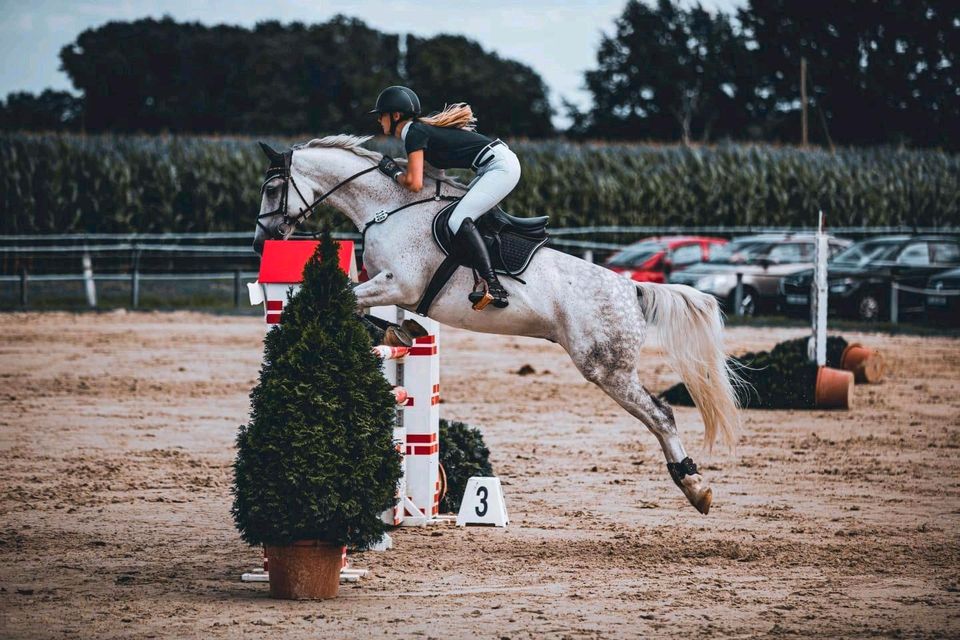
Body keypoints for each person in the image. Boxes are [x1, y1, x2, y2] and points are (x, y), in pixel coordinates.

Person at [370, 85, 519, 309]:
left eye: (381, 115)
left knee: (457, 220)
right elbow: (432, 177)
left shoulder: (414, 133)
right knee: (460, 215)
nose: (379, 120)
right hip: (492, 166)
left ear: (396, 115)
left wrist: (393, 172)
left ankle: (494, 285)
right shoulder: (418, 132)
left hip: (499, 167)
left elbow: (415, 183)